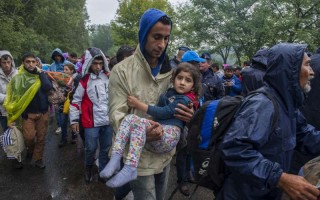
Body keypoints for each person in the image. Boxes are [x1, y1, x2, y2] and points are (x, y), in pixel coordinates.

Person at [108, 8, 193, 200]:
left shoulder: (172, 73)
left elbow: (183, 99)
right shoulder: (122, 71)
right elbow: (115, 114)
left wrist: (189, 114)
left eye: (166, 38)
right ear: (144, 34)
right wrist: (142, 133)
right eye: (156, 37)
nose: (162, 44)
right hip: (137, 156)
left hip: (164, 152)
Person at [216, 43, 320, 200]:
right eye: (307, 65)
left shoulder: (288, 105)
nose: (312, 72)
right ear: (290, 70)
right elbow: (236, 149)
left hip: (266, 193)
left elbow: (306, 135)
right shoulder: (262, 104)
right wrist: (281, 179)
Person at [101, 63, 201, 188]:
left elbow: (163, 112)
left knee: (135, 122)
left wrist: (138, 104)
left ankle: (127, 166)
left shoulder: (184, 100)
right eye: (179, 78)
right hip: (161, 131)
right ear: (173, 78)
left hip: (169, 135)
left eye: (188, 80)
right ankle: (118, 160)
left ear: (193, 86)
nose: (182, 82)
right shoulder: (171, 92)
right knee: (130, 120)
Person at [69, 47, 113, 183]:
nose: (98, 67)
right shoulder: (84, 80)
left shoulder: (109, 77)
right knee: (91, 148)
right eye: (95, 63)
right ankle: (88, 168)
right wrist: (74, 121)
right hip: (90, 122)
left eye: (101, 63)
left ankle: (103, 171)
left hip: (108, 121)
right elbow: (75, 101)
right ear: (89, 63)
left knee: (105, 149)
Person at [5, 52, 53, 169]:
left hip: (42, 113)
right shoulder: (18, 79)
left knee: (41, 138)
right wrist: (12, 118)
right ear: (23, 63)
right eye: (28, 62)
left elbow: (47, 87)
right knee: (29, 137)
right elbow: (14, 99)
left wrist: (41, 73)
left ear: (36, 63)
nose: (31, 64)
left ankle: (38, 159)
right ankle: (30, 150)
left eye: (33, 62)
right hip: (28, 115)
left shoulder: (42, 75)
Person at [49, 48, 70, 135]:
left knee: (68, 106)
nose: (57, 57)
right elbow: (49, 75)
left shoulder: (67, 64)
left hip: (67, 89)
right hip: (57, 90)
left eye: (58, 55)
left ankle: (68, 122)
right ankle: (60, 125)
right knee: (57, 108)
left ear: (61, 56)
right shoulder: (52, 66)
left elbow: (75, 70)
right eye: (55, 56)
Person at [0, 51, 18, 132]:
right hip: (3, 112)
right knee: (7, 132)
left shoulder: (18, 74)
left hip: (17, 111)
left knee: (19, 133)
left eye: (8, 62)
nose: (6, 65)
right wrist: (7, 99)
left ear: (12, 62)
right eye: (4, 62)